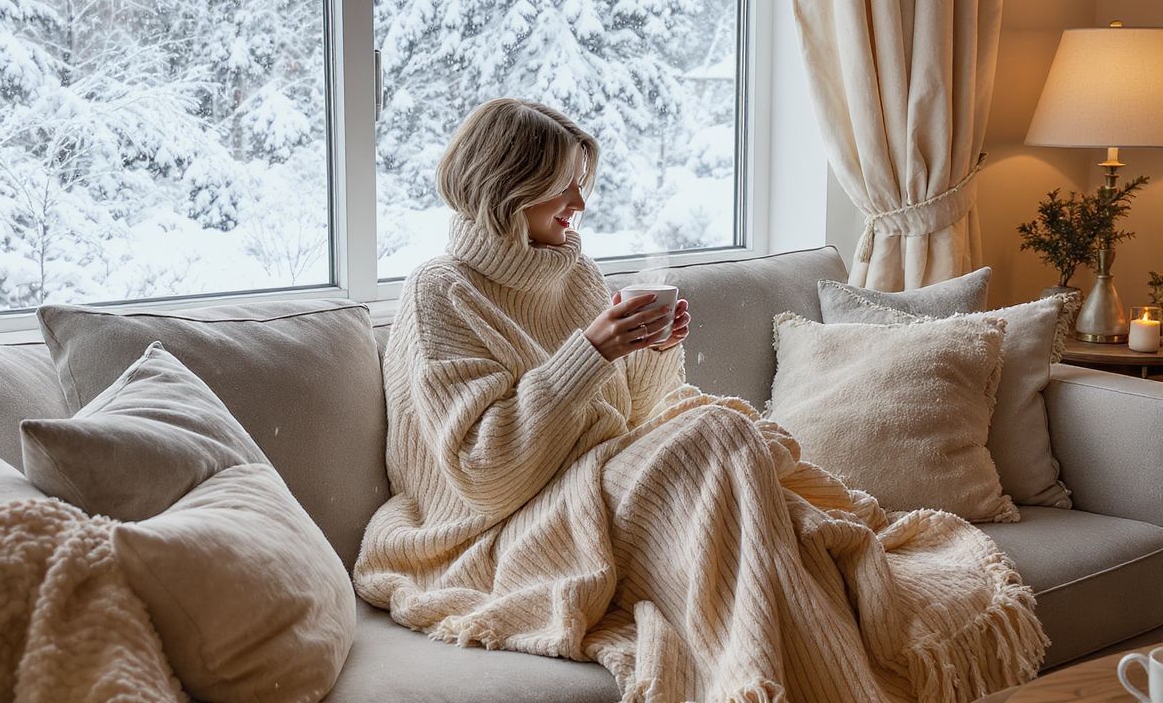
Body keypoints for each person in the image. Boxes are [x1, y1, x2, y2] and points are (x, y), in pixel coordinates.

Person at [353, 98, 1045, 703]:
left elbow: (636, 417)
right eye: (562, 187)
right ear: (507, 187)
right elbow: (484, 473)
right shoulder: (442, 291)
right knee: (719, 435)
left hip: (593, 486)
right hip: (496, 528)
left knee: (745, 462)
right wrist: (591, 352)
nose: (580, 205)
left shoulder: (576, 272)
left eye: (580, 185)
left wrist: (651, 350)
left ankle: (776, 673)